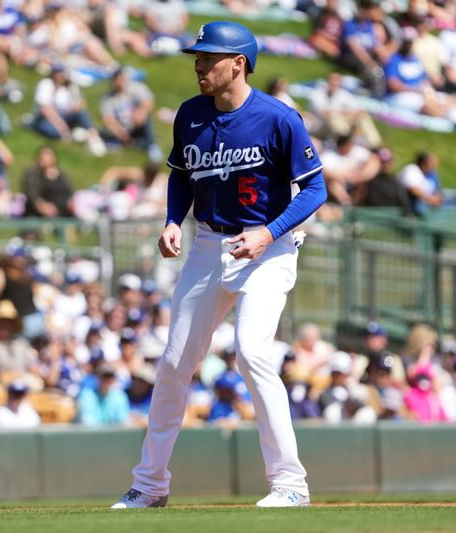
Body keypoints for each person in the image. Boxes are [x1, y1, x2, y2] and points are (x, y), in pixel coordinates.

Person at [112, 21, 326, 510]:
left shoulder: (278, 118)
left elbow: (316, 188)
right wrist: (172, 220)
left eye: (210, 56)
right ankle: (149, 484)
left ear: (239, 63)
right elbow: (180, 176)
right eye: (198, 56)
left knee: (252, 352)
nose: (199, 64)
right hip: (209, 246)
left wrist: (269, 233)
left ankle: (290, 484)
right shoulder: (189, 114)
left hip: (268, 247)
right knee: (172, 365)